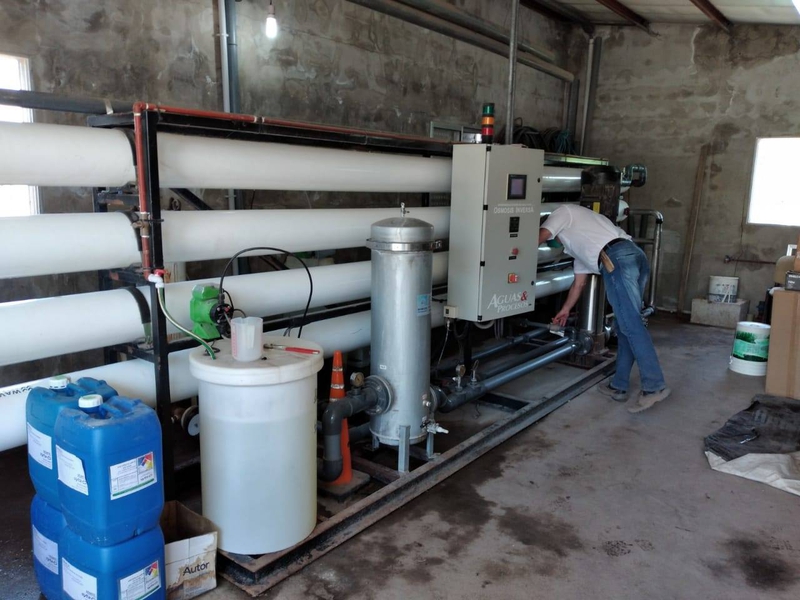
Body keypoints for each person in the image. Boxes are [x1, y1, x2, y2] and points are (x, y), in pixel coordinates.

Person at [538, 204, 670, 413]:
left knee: (632, 326)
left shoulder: (562, 212)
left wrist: (514, 250)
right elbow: (578, 284)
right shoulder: (580, 245)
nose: (558, 243)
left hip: (616, 258)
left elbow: (542, 235)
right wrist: (565, 309)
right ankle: (618, 385)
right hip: (634, 254)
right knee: (625, 327)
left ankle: (655, 387)